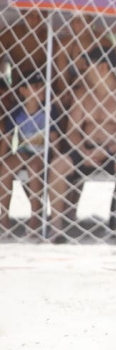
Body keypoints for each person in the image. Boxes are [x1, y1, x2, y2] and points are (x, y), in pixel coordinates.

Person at [47, 46, 116, 242]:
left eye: (88, 67)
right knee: (58, 165)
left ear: (102, 68)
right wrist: (84, 151)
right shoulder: (83, 94)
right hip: (85, 149)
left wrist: (108, 149)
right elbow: (72, 131)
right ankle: (56, 227)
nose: (84, 71)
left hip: (115, 151)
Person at [0, 73, 62, 237]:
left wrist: (56, 157)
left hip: (42, 153)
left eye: (42, 86)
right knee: (5, 168)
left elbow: (54, 139)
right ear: (23, 91)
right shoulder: (16, 112)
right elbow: (7, 139)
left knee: (34, 169)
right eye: (35, 87)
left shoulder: (49, 110)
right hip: (22, 151)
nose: (40, 90)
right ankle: (4, 216)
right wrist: (2, 158)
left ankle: (35, 216)